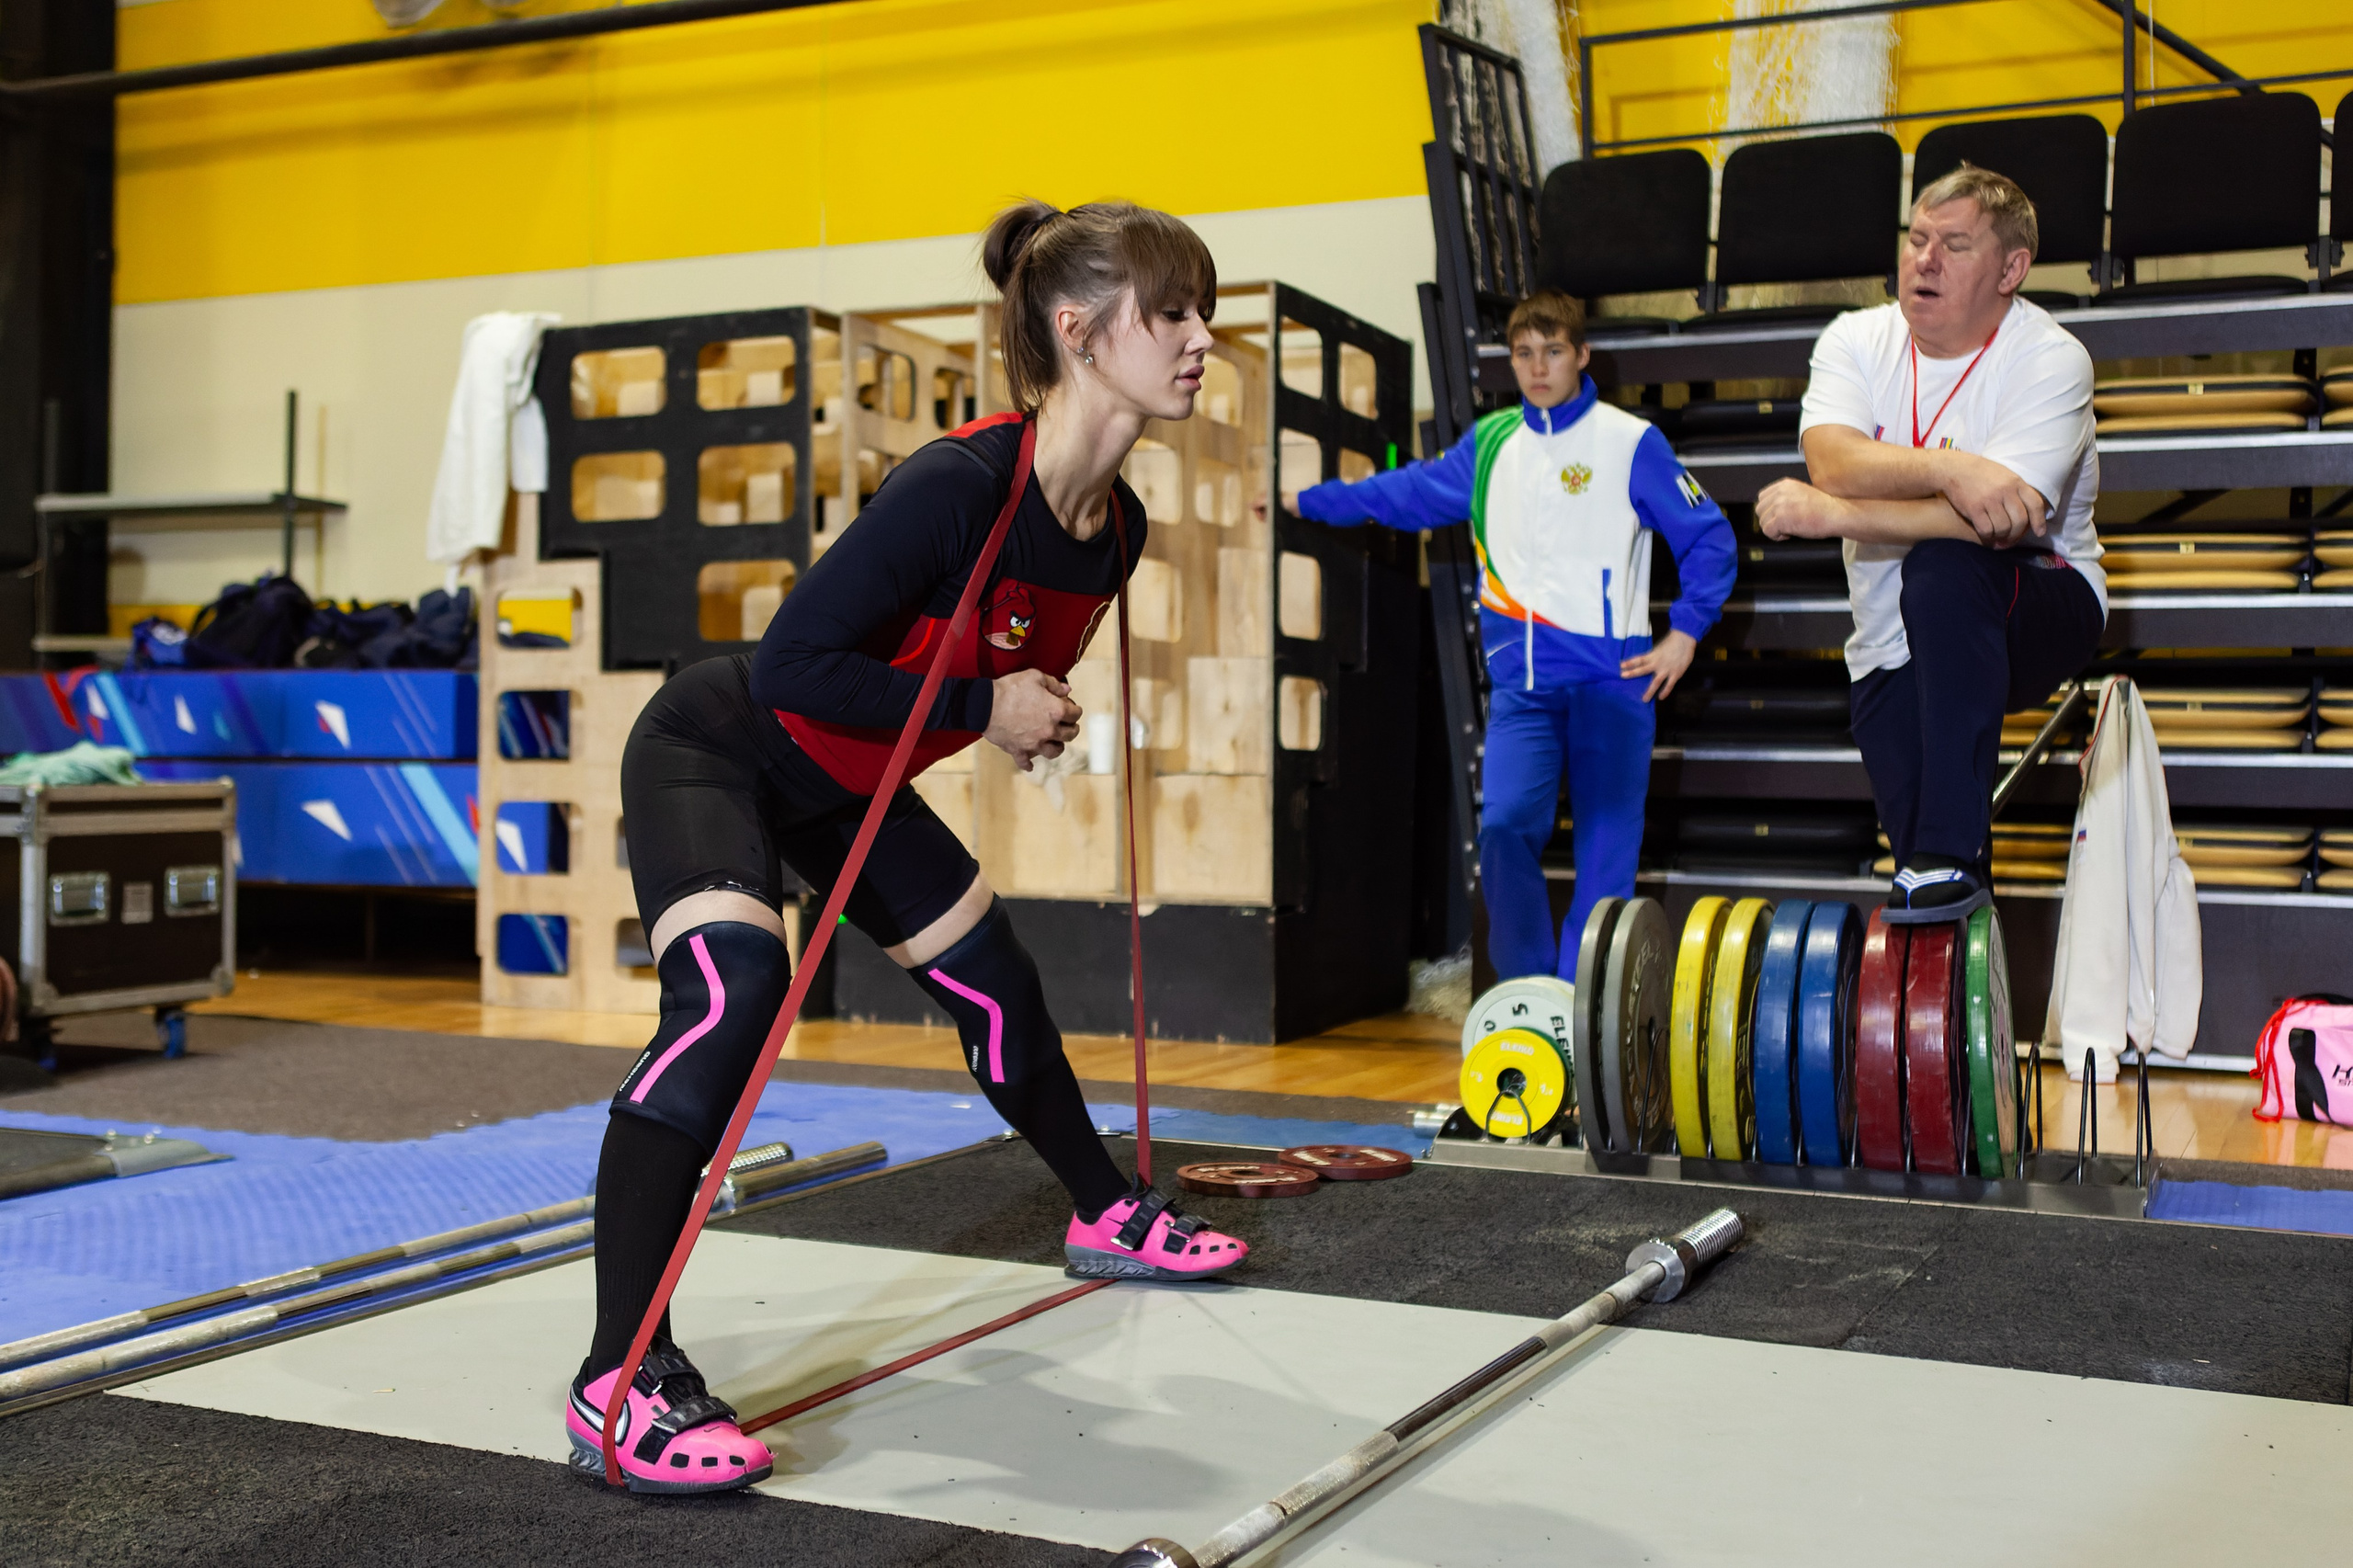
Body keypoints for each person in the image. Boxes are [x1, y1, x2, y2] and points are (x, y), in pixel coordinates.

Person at [569, 199, 1251, 1495]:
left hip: (848, 785)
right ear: (1079, 332)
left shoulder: (1117, 529)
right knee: (733, 996)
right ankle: (619, 1374)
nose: (1200, 338)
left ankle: (1103, 1210)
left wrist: (1024, 717)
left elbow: (994, 668)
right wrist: (984, 708)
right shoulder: (957, 484)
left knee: (998, 979)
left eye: (1199, 310)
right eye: (1172, 311)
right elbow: (794, 666)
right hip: (721, 747)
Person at [1292, 290, 1735, 981]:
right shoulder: (1493, 444)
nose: (1537, 367)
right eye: (1524, 353)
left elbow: (1708, 538)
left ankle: (1583, 1007)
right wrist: (1309, 502)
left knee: (1605, 862)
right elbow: (1402, 494)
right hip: (1522, 690)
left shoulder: (1630, 442)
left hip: (1612, 683)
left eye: (1553, 351)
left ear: (1581, 356)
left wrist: (1684, 633)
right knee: (1501, 830)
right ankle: (1529, 996)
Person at [1758, 164, 2103, 922]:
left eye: (1954, 244)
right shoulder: (1855, 339)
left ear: (2012, 269)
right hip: (1889, 637)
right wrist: (1951, 468)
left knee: (1945, 569)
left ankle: (1950, 851)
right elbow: (1833, 461)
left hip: (2041, 599)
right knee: (1926, 884)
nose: (1925, 260)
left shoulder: (2051, 358)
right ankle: (1954, 1006)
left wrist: (1837, 514)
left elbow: (1995, 523)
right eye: (1917, 239)